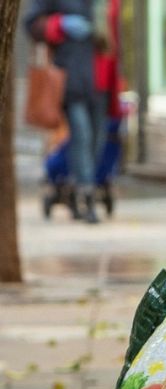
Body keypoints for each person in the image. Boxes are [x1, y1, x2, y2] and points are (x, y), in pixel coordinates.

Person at [27, 0, 105, 223]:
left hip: (101, 82)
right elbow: (31, 24)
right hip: (70, 80)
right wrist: (60, 25)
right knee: (82, 136)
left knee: (97, 142)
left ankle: (74, 188)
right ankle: (87, 197)